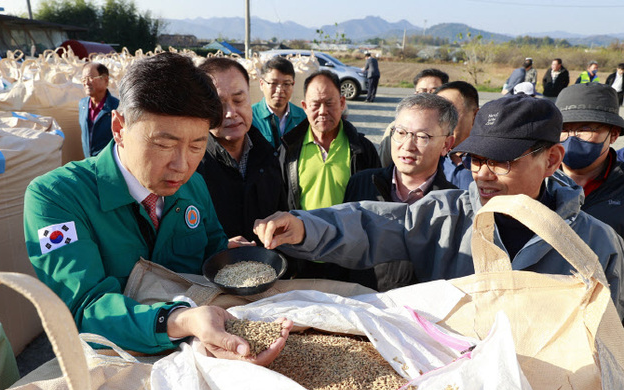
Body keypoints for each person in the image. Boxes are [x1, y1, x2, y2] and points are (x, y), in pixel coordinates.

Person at [254, 94, 624, 321]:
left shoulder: (595, 243)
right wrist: (304, 227)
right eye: (476, 160)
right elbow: (374, 223)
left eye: (501, 162)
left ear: (552, 159)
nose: (483, 175)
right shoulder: (446, 215)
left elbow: (610, 336)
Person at [25, 52, 291, 360]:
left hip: (198, 350)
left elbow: (212, 257)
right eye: (164, 144)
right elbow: (83, 310)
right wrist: (180, 320)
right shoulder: (57, 197)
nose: (181, 165)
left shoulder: (193, 186)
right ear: (119, 127)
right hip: (113, 364)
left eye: (197, 145)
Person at [340, 94, 457, 290]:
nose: (407, 146)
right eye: (401, 132)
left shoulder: (454, 205)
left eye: (422, 137)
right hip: (359, 304)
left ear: (446, 144)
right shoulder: (362, 183)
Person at [279, 69, 380, 277]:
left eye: (330, 103)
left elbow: (377, 205)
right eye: (315, 104)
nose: (323, 111)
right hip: (303, 257)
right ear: (305, 107)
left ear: (342, 103)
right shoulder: (288, 150)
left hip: (349, 257)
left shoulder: (362, 149)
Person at [197, 57, 288, 243]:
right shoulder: (192, 166)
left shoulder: (269, 155)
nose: (231, 112)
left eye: (239, 100)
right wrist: (218, 249)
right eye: (219, 105)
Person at [556, 83, 624, 238]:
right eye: (563, 129)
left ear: (613, 135)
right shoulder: (534, 179)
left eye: (585, 129)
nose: (572, 137)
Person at [377, 68, 451, 166]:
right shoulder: (395, 128)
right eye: (423, 91)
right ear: (415, 94)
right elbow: (382, 165)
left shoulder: (451, 128)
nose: (428, 96)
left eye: (434, 91)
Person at [251, 56, 306, 148]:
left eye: (286, 84)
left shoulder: (303, 118)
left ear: (293, 85)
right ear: (261, 84)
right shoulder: (250, 117)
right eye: (273, 83)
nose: (280, 90)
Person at [434, 81, 478, 189]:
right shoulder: (425, 156)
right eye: (437, 114)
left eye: (450, 113)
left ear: (475, 116)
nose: (442, 121)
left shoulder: (493, 160)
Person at [78, 62, 119, 158]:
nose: (86, 83)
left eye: (91, 78)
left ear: (105, 80)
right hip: (89, 163)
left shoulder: (117, 107)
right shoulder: (82, 104)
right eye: (84, 79)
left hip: (108, 163)